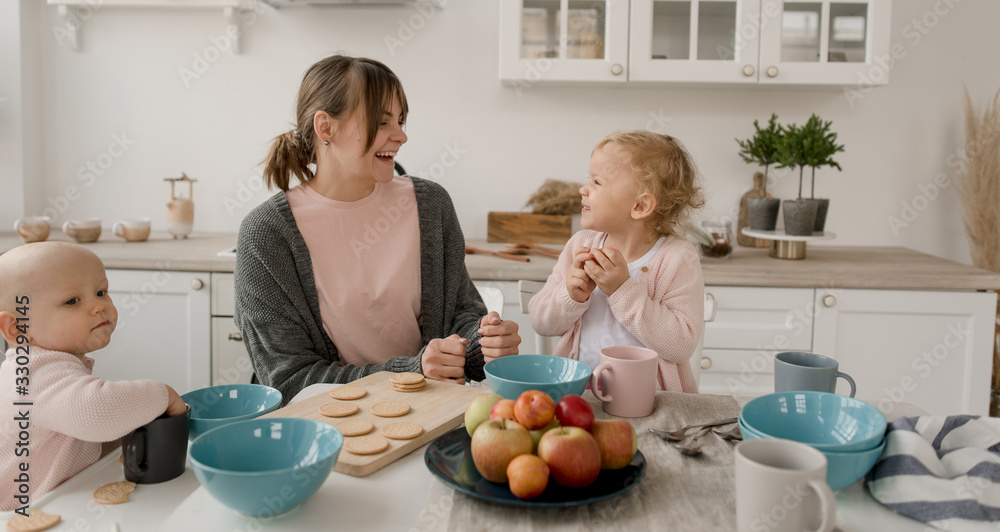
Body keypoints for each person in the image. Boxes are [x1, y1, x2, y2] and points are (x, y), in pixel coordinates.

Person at [234, 55, 520, 403]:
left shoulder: (431, 205)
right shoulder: (267, 235)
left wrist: (481, 343)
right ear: (326, 128)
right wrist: (411, 371)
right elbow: (291, 380)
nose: (401, 136)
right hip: (327, 433)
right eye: (383, 122)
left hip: (429, 412)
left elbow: (461, 313)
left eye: (400, 120)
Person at [0, 242, 188, 510]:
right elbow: (95, 411)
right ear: (17, 327)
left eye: (101, 292)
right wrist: (162, 394)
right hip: (23, 518)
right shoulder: (33, 373)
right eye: (72, 301)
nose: (99, 306)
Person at [530, 130, 706, 392]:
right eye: (588, 179)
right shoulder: (580, 246)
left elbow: (681, 346)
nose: (583, 189)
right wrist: (570, 295)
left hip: (652, 406)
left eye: (597, 183)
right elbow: (541, 323)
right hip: (580, 399)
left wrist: (623, 290)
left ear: (640, 206)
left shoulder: (677, 259)